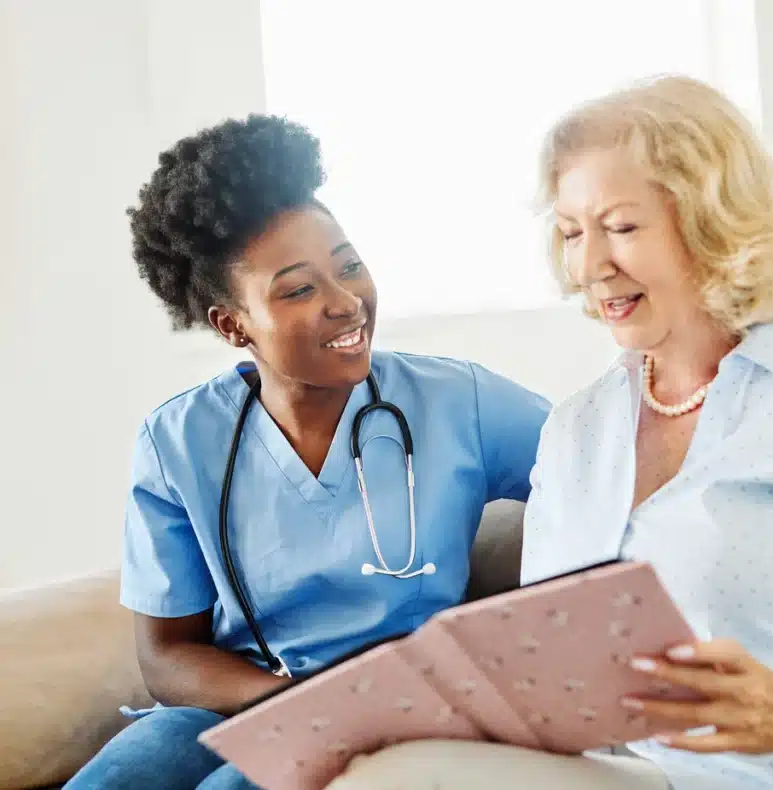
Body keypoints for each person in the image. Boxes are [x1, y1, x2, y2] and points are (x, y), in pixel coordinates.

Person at [327, 76, 773, 790]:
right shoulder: (577, 430)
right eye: (572, 232)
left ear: (716, 222)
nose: (588, 266)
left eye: (620, 226)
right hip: (605, 774)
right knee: (375, 767)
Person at [64, 114, 550, 789]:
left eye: (348, 267)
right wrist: (283, 702)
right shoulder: (178, 442)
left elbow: (601, 470)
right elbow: (168, 656)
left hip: (401, 710)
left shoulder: (457, 400)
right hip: (251, 700)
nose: (346, 301)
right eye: (298, 289)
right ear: (234, 325)